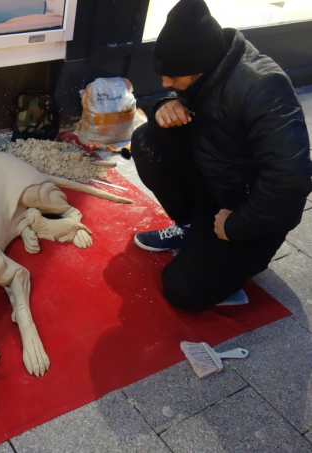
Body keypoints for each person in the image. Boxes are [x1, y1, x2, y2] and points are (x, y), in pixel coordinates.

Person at [130, 0, 312, 312]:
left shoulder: (263, 87)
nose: (165, 81)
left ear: (200, 67)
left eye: (173, 75)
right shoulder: (207, 63)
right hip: (215, 182)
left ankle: (224, 264)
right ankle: (191, 227)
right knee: (149, 138)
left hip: (252, 211)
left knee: (182, 291)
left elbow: (292, 178)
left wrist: (237, 225)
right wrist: (167, 103)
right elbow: (188, 96)